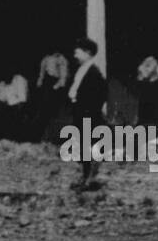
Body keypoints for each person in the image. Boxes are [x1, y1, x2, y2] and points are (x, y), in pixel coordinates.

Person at [67, 37, 108, 190]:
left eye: (77, 52)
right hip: (80, 113)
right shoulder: (81, 70)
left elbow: (100, 95)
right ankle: (84, 177)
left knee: (90, 147)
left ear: (88, 53)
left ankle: (90, 179)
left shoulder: (94, 72)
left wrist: (89, 112)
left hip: (88, 115)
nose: (75, 56)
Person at [31, 46, 69, 142]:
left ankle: (49, 137)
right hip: (46, 84)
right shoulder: (46, 58)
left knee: (51, 112)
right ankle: (38, 136)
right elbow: (42, 72)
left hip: (55, 85)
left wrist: (55, 87)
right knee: (41, 111)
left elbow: (63, 76)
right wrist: (40, 82)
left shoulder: (61, 59)